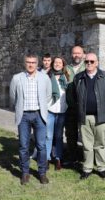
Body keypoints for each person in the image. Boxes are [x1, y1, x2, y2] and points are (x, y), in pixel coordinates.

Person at [9, 53, 52, 185]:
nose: (31, 64)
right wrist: (20, 108)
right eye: (28, 62)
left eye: (33, 62)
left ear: (37, 64)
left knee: (41, 145)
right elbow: (13, 97)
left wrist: (42, 109)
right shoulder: (17, 78)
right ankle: (25, 173)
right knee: (23, 145)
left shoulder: (44, 78)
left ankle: (42, 173)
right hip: (24, 116)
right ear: (24, 63)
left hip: (39, 115)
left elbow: (48, 95)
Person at [72, 52, 105, 180]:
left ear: (97, 63)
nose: (89, 64)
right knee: (87, 145)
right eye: (87, 61)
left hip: (101, 117)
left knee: (100, 144)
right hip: (84, 117)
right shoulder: (78, 78)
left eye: (92, 61)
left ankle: (101, 168)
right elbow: (74, 96)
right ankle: (87, 168)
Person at [63, 46, 86, 166]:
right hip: (70, 107)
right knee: (71, 134)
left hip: (84, 108)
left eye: (79, 53)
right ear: (71, 55)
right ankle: (72, 158)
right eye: (74, 53)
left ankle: (86, 159)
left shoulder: (87, 67)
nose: (76, 55)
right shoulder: (66, 69)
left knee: (86, 135)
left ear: (83, 54)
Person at [46, 56, 69, 171]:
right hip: (49, 110)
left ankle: (58, 159)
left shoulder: (66, 77)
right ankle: (46, 158)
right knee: (48, 136)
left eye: (60, 62)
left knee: (59, 136)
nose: (57, 64)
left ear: (63, 64)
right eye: (56, 62)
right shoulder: (48, 76)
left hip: (62, 111)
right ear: (52, 64)